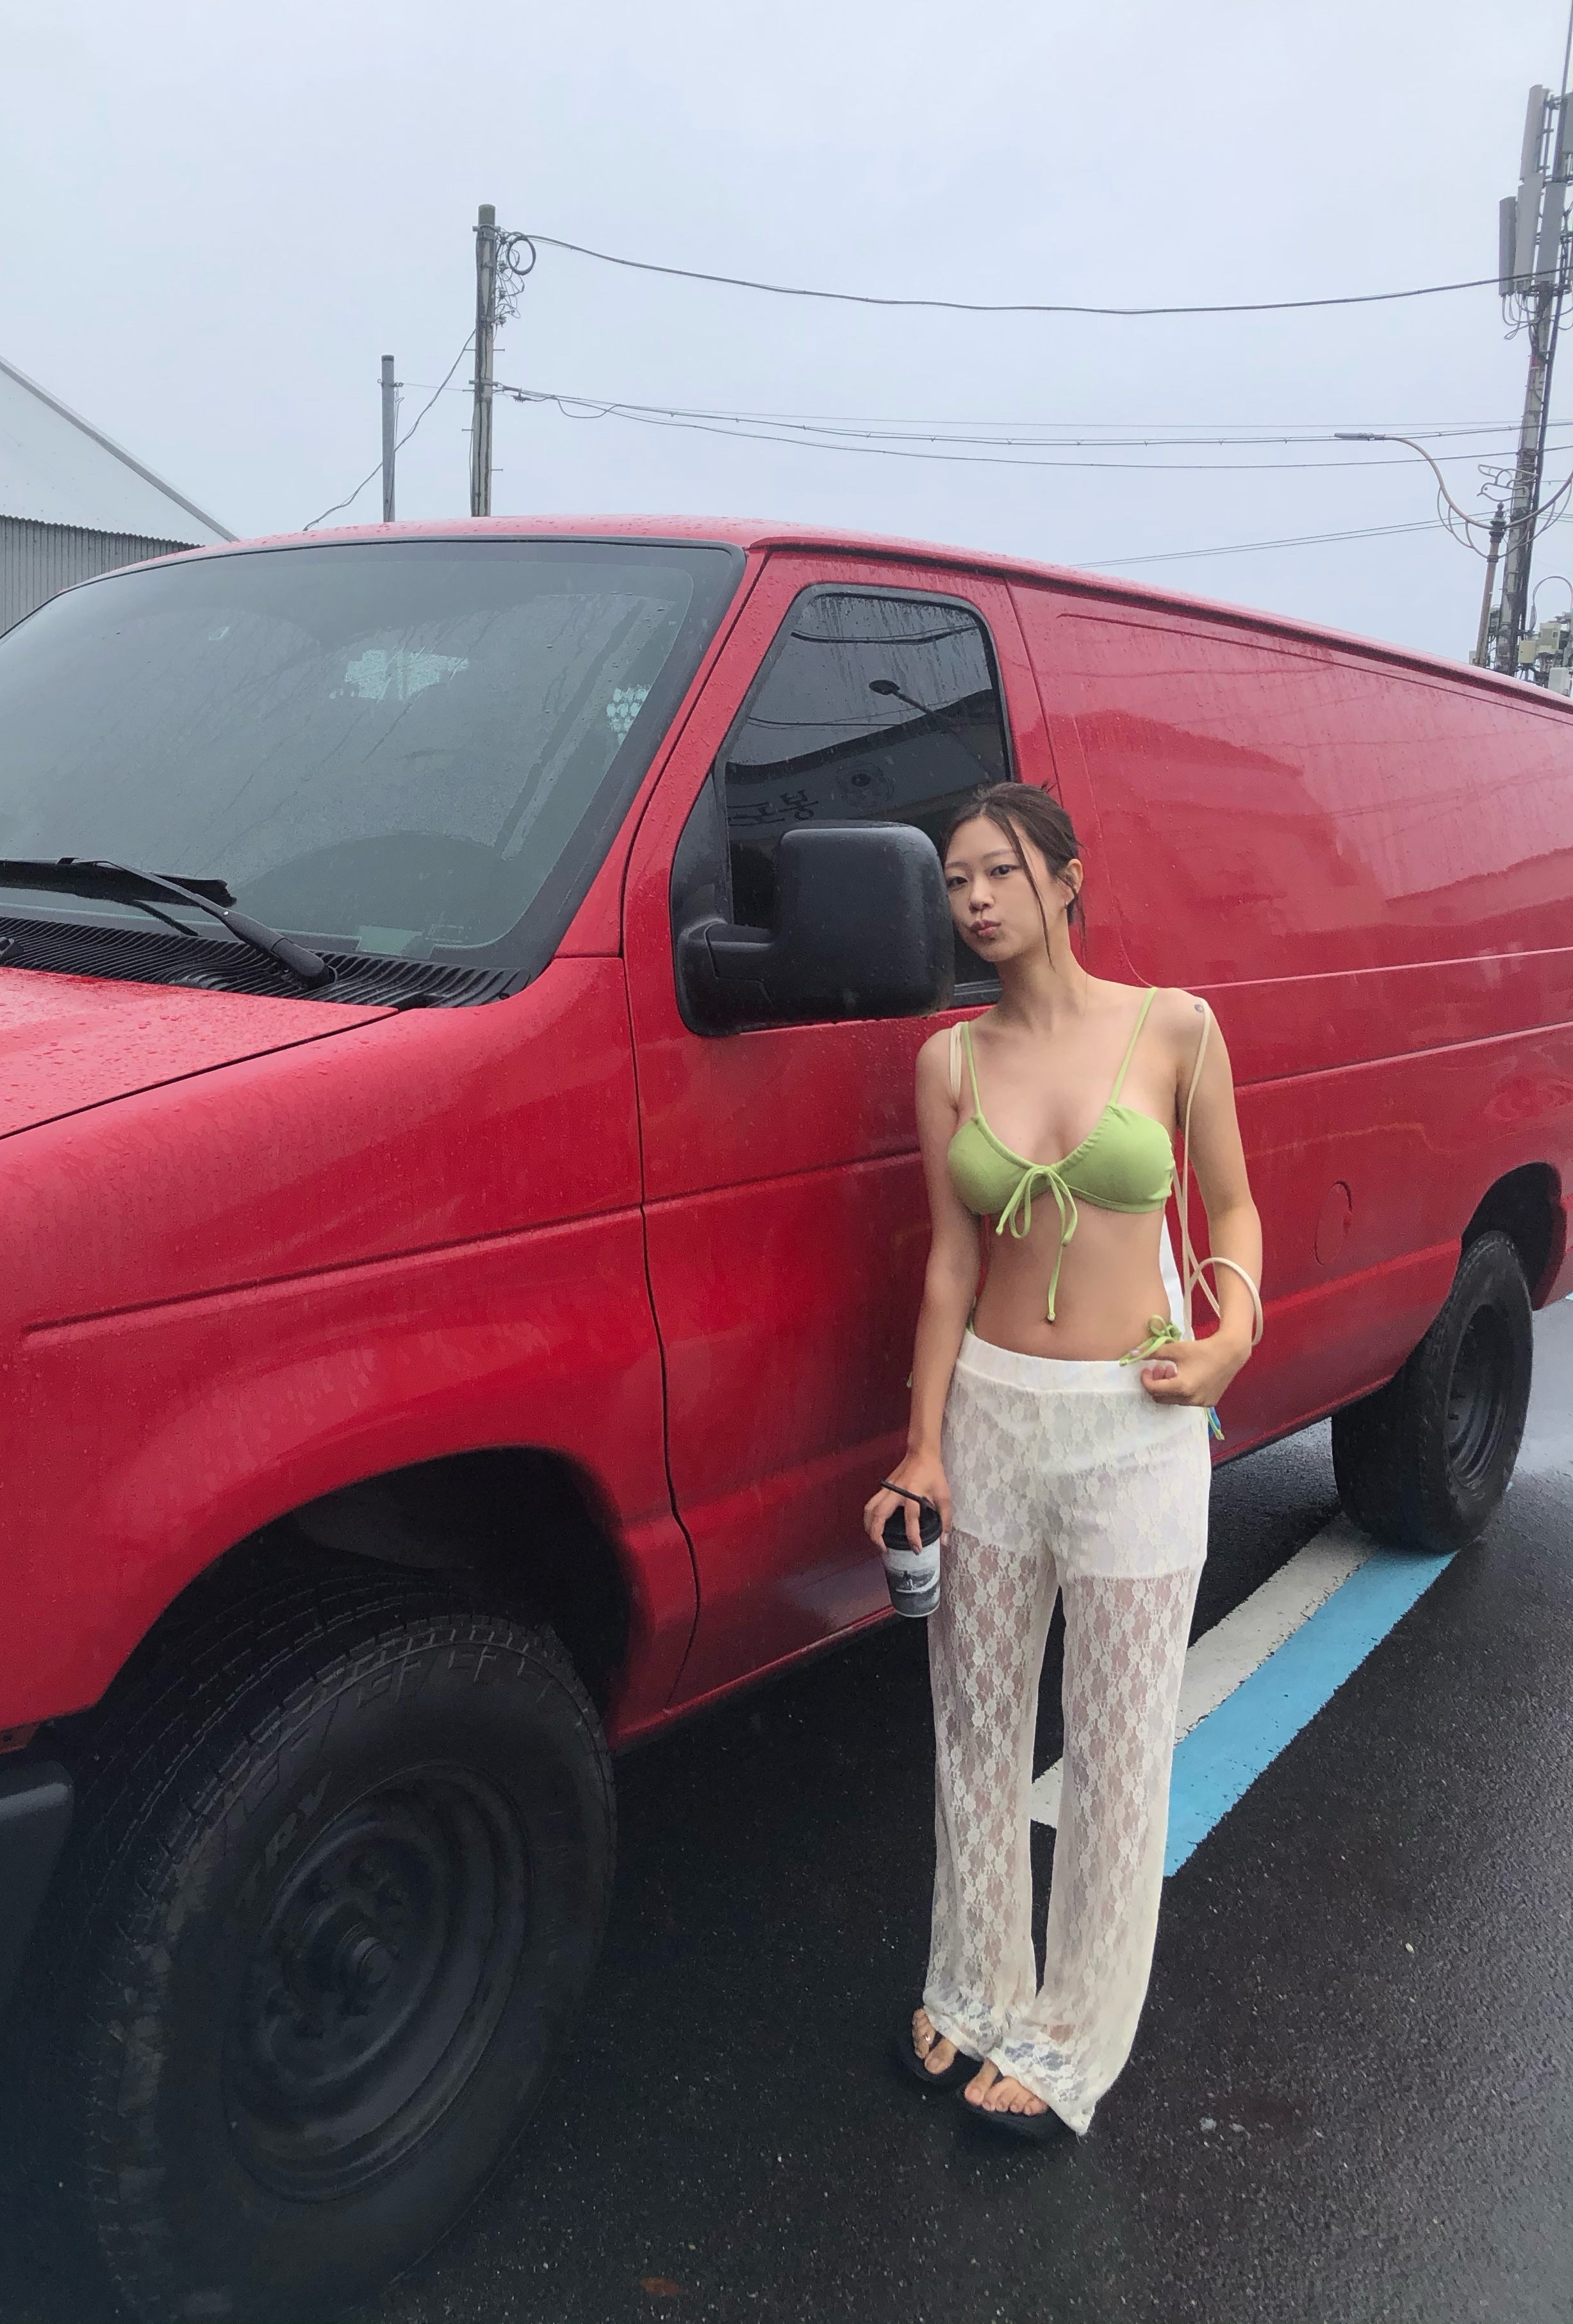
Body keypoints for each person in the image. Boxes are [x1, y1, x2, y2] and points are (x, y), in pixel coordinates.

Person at [864, 783, 1262, 2141]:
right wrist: (922, 1445)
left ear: (1067, 877)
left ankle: (1075, 2032)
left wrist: (1230, 1339)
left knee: (1116, 1745)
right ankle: (974, 1983)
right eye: (954, 880)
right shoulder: (949, 1064)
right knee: (976, 1723)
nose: (974, 900)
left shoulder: (1173, 1028)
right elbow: (950, 1261)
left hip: (1136, 1426)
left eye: (999, 872)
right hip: (995, 1415)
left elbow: (1233, 1209)